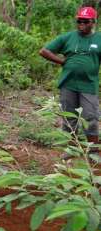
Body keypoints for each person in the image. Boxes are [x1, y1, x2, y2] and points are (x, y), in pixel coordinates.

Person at [39, 6, 101, 158]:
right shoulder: (68, 37)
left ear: (93, 22)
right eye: (79, 21)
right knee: (68, 117)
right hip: (68, 84)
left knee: (90, 117)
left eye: (85, 21)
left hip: (88, 85)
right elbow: (44, 51)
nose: (81, 24)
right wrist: (60, 61)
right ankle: (71, 150)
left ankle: (93, 151)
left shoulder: (99, 39)